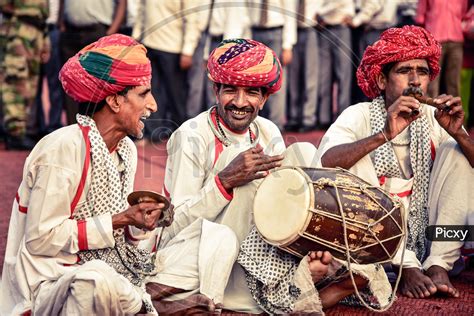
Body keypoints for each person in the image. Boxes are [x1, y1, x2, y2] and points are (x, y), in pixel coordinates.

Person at [159, 38, 392, 313]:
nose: (240, 102)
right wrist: (225, 182)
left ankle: (304, 269)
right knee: (248, 186)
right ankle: (288, 291)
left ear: (265, 97)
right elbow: (173, 229)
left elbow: (281, 205)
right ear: (215, 89)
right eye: (230, 90)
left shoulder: (268, 131)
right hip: (203, 250)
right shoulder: (191, 136)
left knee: (303, 153)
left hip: (263, 246)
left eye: (252, 93)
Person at [0, 34, 166, 315]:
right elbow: (40, 239)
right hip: (52, 282)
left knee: (208, 240)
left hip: (110, 269)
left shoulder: (126, 148)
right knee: (96, 279)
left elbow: (114, 234)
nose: (153, 105)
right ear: (114, 101)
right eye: (143, 94)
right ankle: (142, 302)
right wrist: (121, 218)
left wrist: (137, 223)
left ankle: (139, 300)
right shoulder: (63, 148)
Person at [319, 25, 474, 299]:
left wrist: (458, 134)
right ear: (381, 81)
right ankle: (405, 265)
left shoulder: (435, 117)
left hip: (431, 233)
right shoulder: (359, 115)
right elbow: (327, 161)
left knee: (457, 152)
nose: (415, 81)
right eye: (404, 71)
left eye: (422, 72)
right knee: (353, 159)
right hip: (373, 244)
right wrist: (384, 135)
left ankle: (439, 263)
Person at [0, 0, 50, 150]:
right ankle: (15, 133)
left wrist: (45, 40)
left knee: (30, 86)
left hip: (36, 32)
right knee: (15, 82)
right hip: (17, 32)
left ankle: (21, 130)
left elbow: (43, 13)